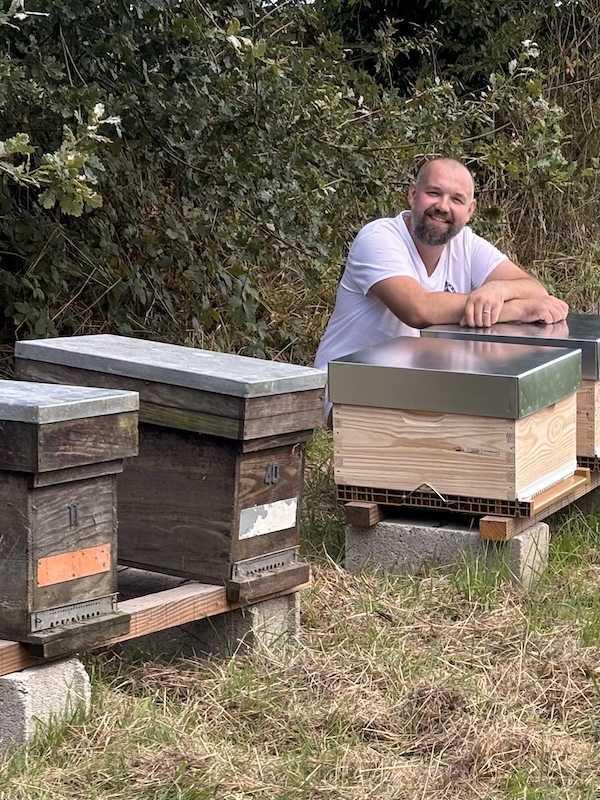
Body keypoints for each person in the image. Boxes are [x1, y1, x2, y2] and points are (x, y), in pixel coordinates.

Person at [314, 158, 568, 381]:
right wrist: (516, 309)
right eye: (434, 193)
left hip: (415, 382)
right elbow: (418, 309)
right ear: (413, 194)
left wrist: (497, 289)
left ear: (470, 211)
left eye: (457, 199)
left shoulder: (466, 243)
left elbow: (535, 290)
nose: (443, 206)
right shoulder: (378, 237)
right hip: (352, 385)